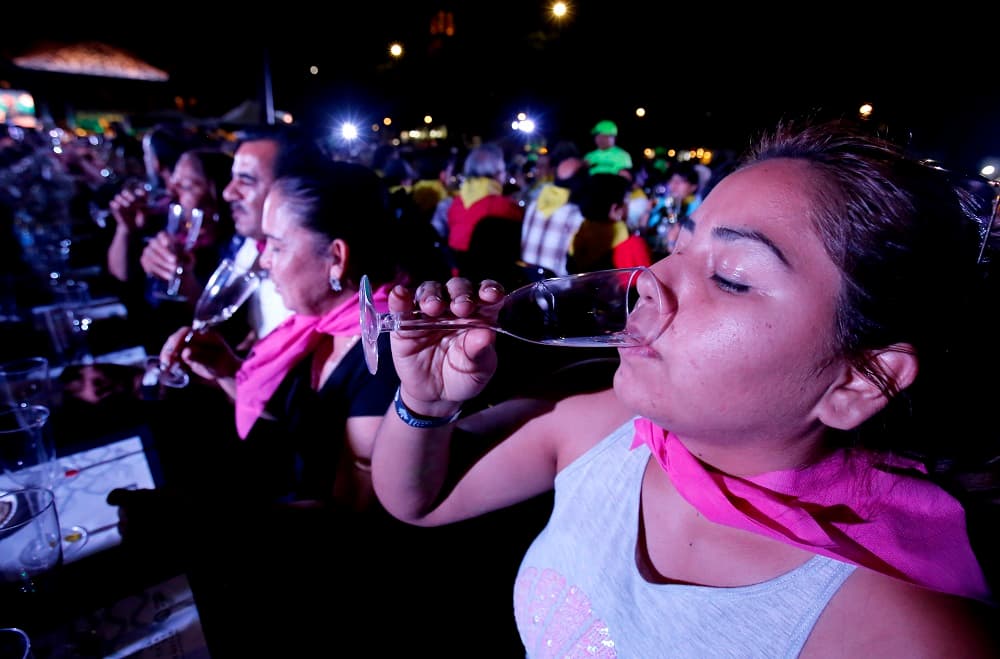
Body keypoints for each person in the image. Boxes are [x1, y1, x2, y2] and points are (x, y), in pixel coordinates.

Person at [370, 117, 1000, 656]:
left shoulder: (907, 633)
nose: (650, 279)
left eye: (730, 276)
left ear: (861, 381)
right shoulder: (611, 432)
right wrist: (426, 404)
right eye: (679, 245)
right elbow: (420, 501)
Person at [158, 160, 401, 509]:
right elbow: (297, 419)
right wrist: (226, 368)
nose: (264, 262)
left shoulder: (384, 356)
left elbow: (355, 513)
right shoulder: (318, 327)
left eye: (275, 246)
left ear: (336, 258)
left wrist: (205, 519)